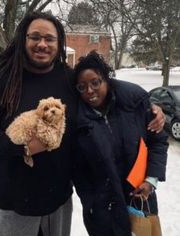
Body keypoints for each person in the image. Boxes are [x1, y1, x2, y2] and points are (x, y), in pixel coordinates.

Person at [0, 12, 165, 236]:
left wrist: (151, 105)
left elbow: (105, 86)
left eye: (49, 39)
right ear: (24, 38)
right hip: (14, 202)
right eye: (35, 37)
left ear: (59, 42)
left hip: (58, 200)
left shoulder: (68, 78)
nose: (42, 44)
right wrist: (21, 147)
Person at [72, 51, 169, 236]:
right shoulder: (78, 122)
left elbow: (158, 142)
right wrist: (90, 201)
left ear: (106, 80)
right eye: (82, 87)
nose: (89, 91)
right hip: (102, 212)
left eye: (95, 82)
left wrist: (151, 180)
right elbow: (77, 169)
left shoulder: (135, 104)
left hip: (141, 201)